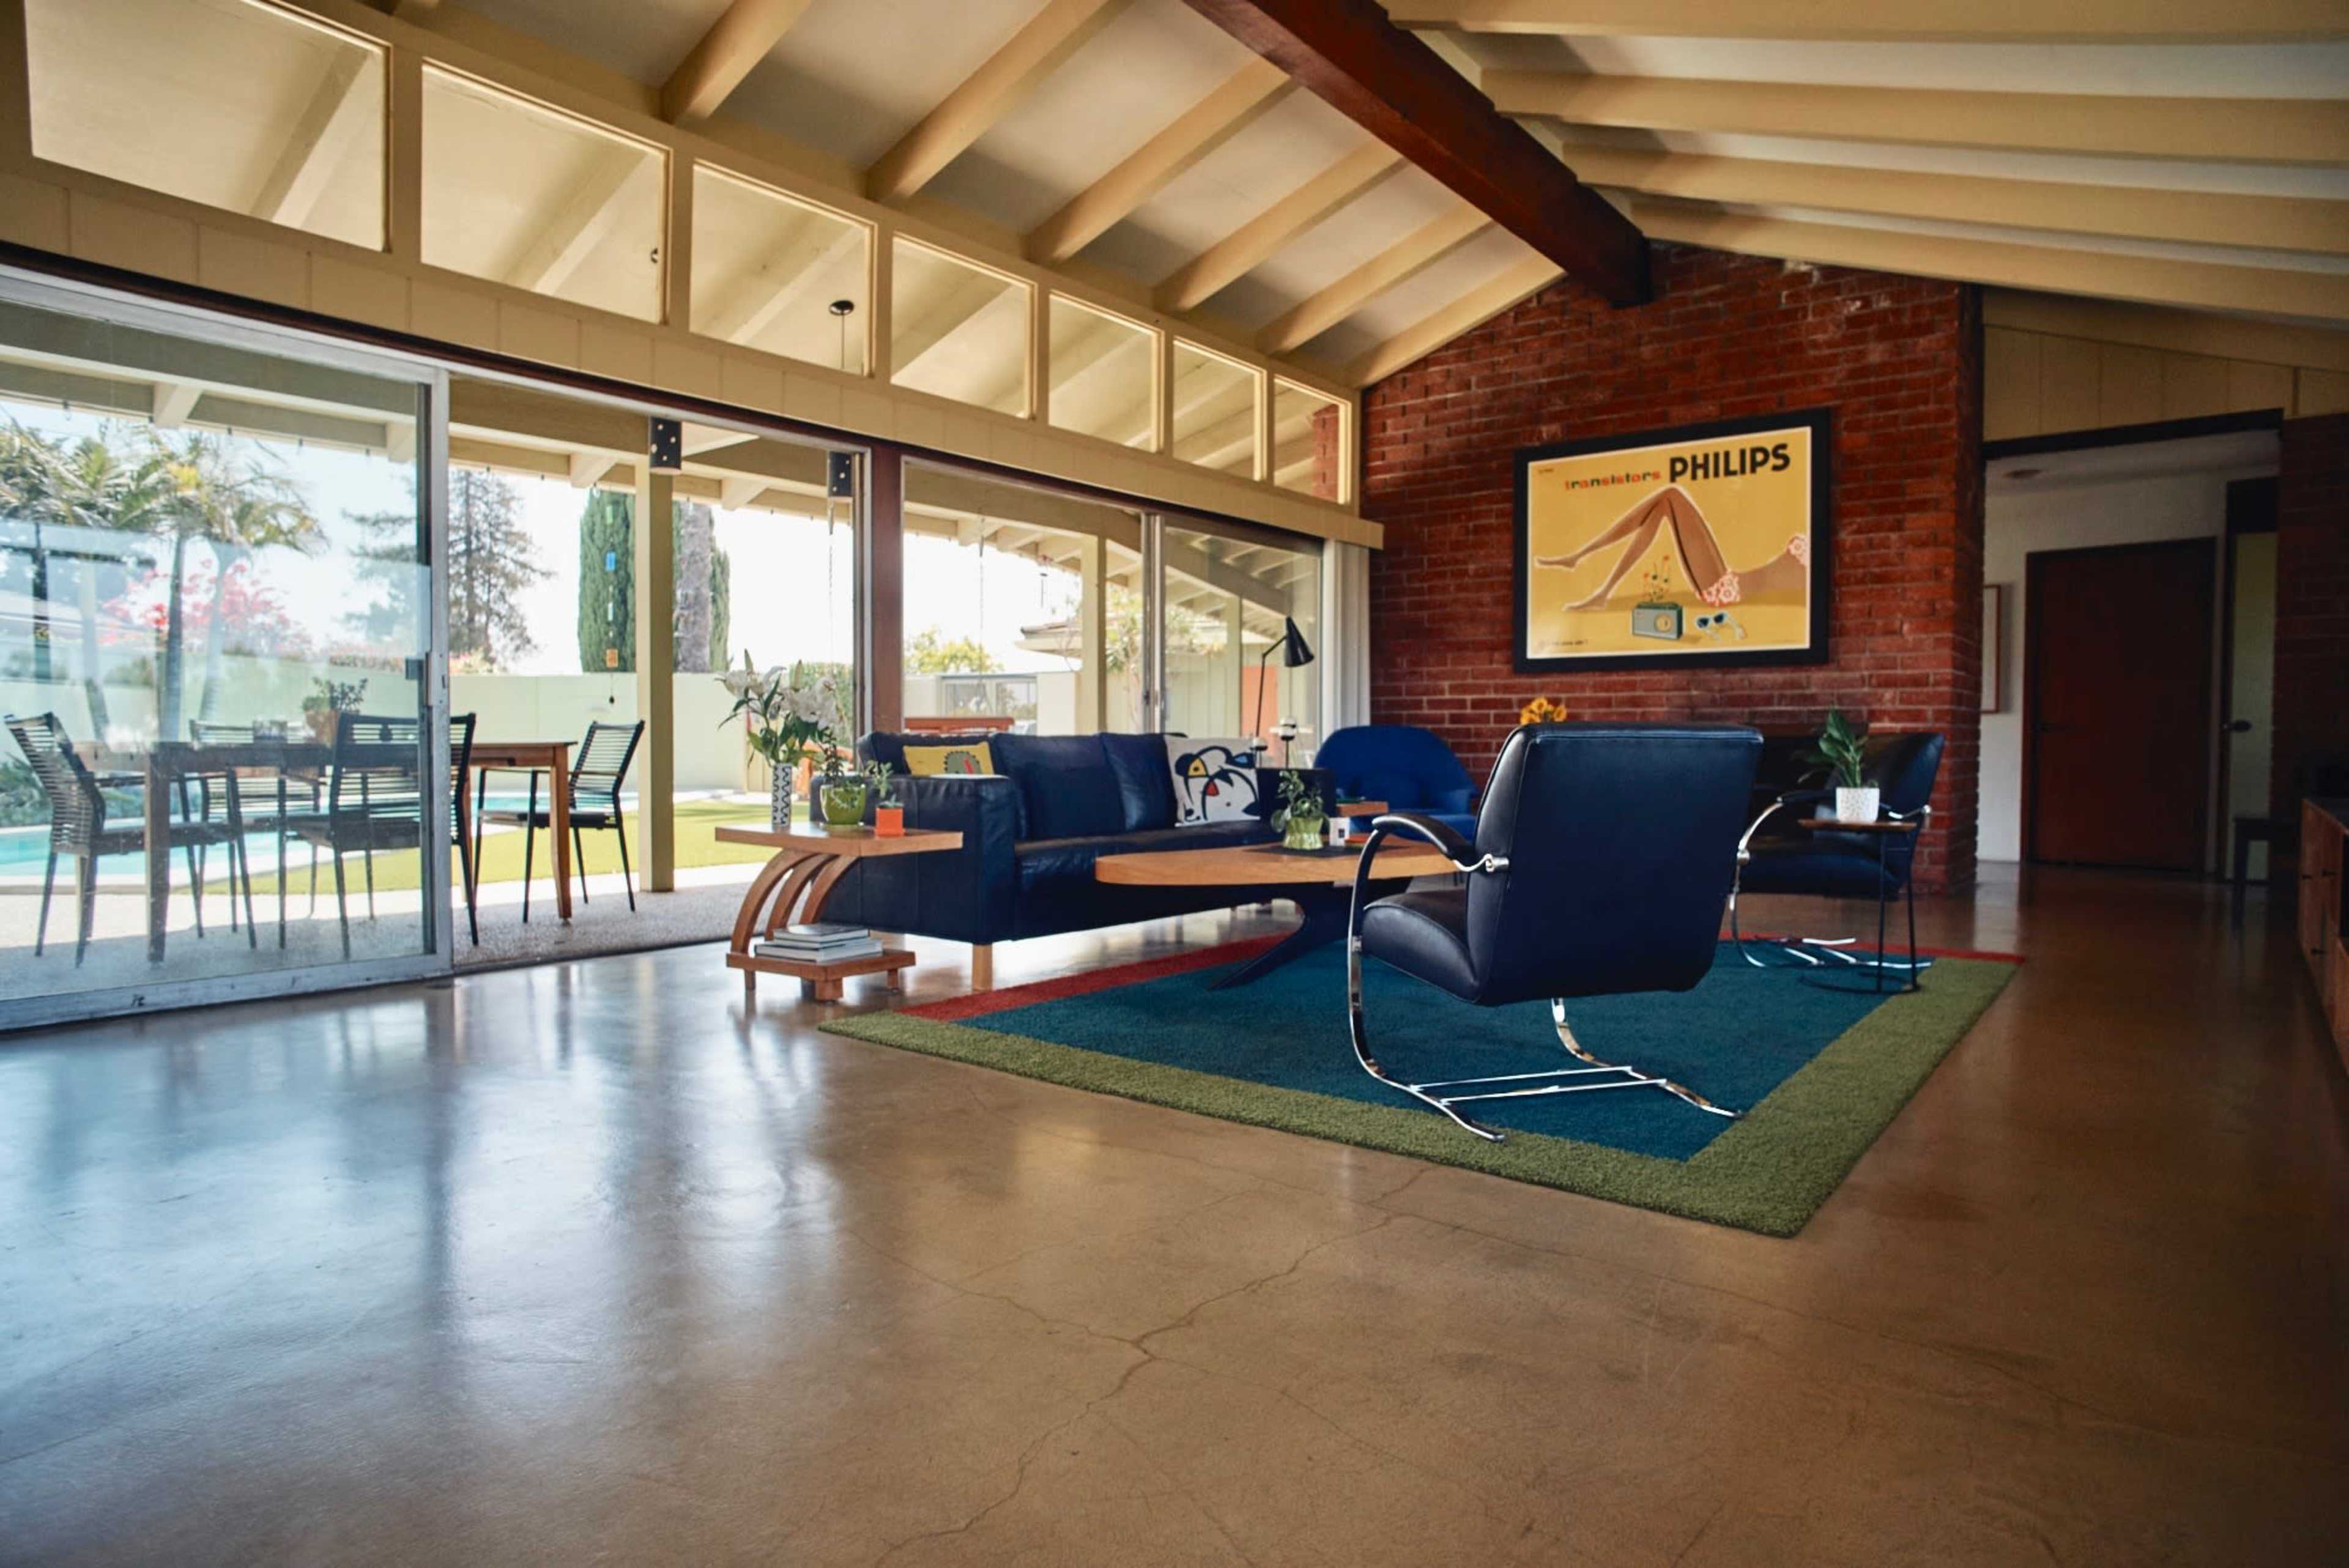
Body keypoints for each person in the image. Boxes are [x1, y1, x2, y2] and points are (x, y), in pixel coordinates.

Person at [1537, 484, 1808, 612]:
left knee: (1671, 496)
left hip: (1725, 589)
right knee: (1665, 505)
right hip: (1729, 580)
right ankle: (1602, 589)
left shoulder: (1809, 571)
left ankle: (1583, 561)